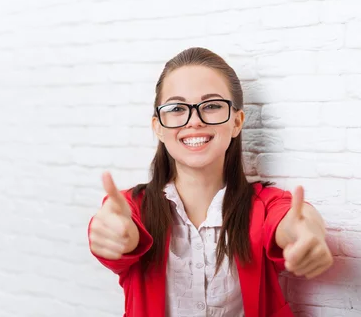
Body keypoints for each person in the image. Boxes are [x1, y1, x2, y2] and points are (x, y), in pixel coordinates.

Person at [88, 47, 333, 317]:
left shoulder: (264, 204)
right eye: (177, 108)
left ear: (237, 122)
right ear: (158, 126)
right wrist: (111, 235)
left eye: (212, 106)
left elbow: (293, 221)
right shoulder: (131, 208)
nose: (194, 121)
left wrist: (306, 234)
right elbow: (119, 231)